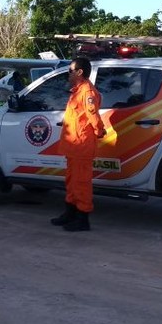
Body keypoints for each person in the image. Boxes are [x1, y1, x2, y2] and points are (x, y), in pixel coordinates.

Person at [51, 57, 106, 232]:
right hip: (74, 145)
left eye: (70, 71)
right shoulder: (78, 91)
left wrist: (99, 132)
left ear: (80, 72)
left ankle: (82, 218)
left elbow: (93, 117)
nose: (68, 74)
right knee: (72, 181)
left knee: (81, 182)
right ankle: (70, 212)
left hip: (81, 145)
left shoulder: (87, 92)